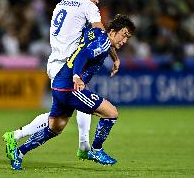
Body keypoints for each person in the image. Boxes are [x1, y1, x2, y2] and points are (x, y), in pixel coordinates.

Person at [2, 0, 121, 161]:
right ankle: (85, 147)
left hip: (54, 61)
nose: (97, 0)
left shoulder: (61, 4)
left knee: (58, 121)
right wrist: (114, 56)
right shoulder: (87, 5)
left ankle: (81, 146)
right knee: (82, 102)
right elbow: (100, 34)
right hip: (68, 64)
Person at [9, 14, 135, 170]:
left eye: (127, 38)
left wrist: (115, 58)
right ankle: (96, 150)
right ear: (113, 31)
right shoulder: (103, 43)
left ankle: (19, 152)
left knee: (55, 127)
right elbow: (83, 55)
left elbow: (91, 39)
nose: (124, 41)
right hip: (71, 86)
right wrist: (76, 75)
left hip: (59, 83)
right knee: (111, 113)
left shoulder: (98, 33)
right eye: (124, 35)